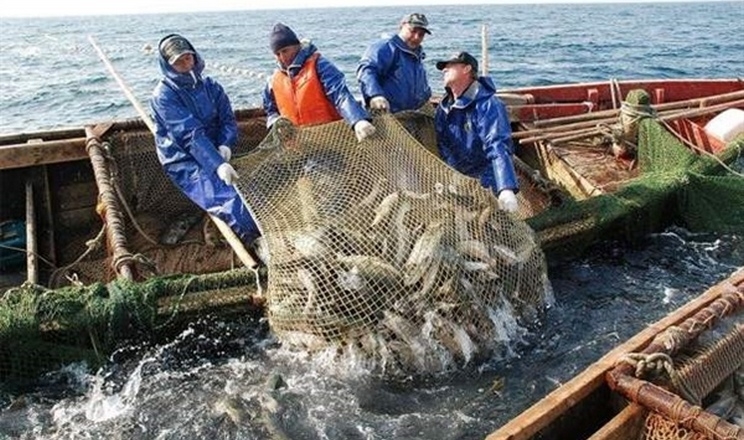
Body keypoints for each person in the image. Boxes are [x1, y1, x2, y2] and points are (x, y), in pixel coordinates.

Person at [150, 34, 261, 248]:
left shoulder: (212, 86)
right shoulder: (163, 96)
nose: (185, 63)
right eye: (178, 61)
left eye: (188, 58)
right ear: (167, 65)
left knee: (254, 195)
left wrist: (225, 144)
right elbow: (190, 135)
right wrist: (218, 165)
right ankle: (256, 245)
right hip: (184, 159)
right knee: (235, 204)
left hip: (216, 151)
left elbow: (227, 120)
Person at [433, 51, 519, 213]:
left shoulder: (488, 105)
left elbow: (498, 146)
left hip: (488, 180)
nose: (444, 69)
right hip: (457, 179)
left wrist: (505, 188)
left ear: (466, 69)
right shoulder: (443, 108)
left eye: (450, 65)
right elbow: (442, 145)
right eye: (443, 67)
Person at [262, 23, 376, 142]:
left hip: (332, 140)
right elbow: (270, 108)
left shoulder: (319, 65)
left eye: (285, 51)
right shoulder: (273, 79)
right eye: (277, 54)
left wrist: (357, 120)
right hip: (297, 147)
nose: (282, 57)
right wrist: (275, 122)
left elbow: (340, 95)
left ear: (297, 46)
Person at [356, 13, 432, 113]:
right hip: (386, 115)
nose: (416, 37)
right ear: (402, 26)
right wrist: (375, 95)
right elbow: (366, 70)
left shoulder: (418, 54)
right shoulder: (385, 47)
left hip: (412, 115)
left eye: (421, 34)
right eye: (412, 31)